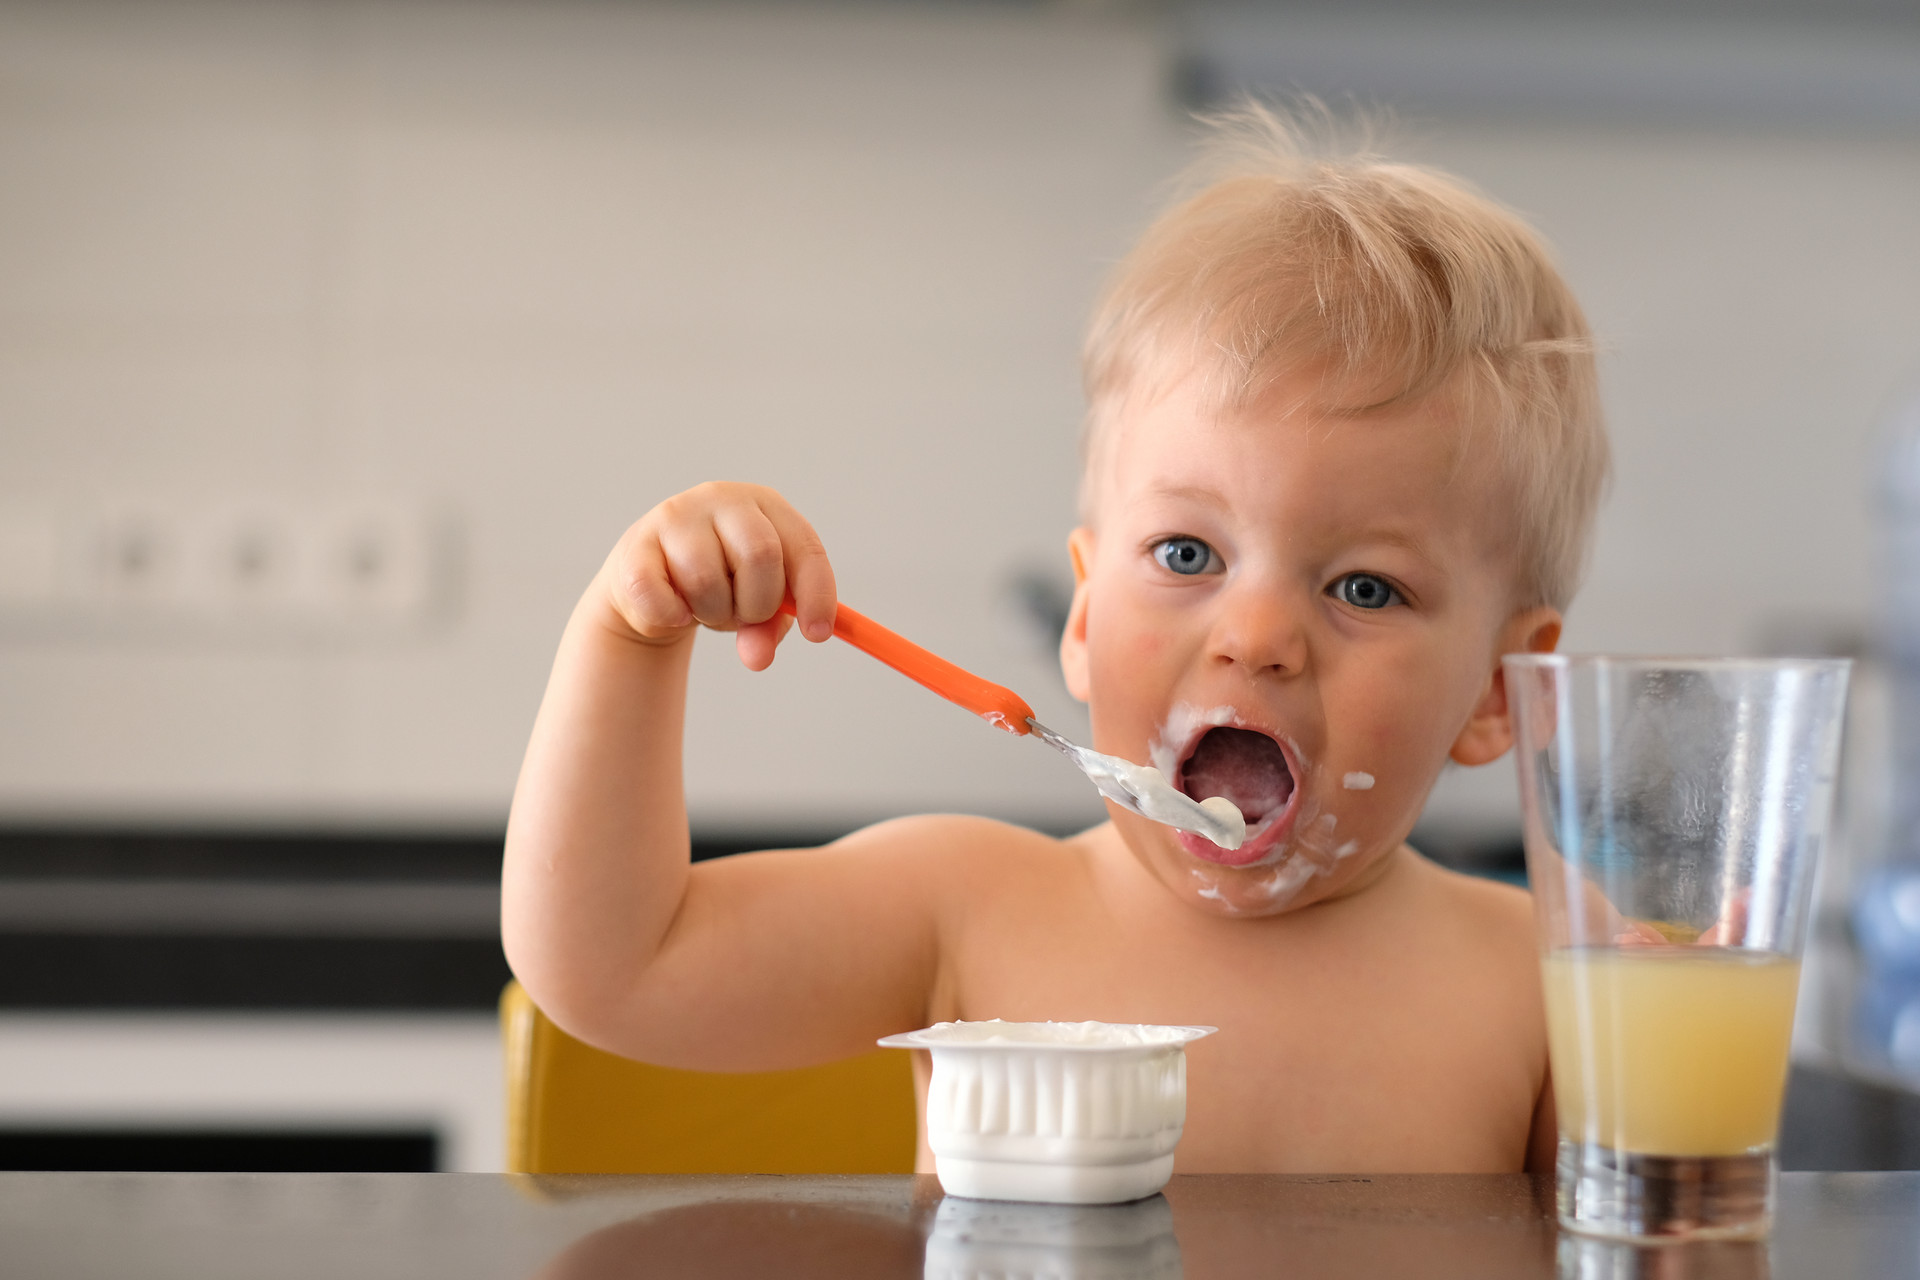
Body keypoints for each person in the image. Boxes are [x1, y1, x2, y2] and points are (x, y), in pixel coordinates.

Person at [501, 105, 1609, 1174]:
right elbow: (612, 966)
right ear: (1084, 618)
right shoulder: (966, 909)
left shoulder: (1555, 985)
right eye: (1187, 554)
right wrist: (627, 635)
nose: (1257, 636)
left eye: (1364, 585)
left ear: (1501, 694)